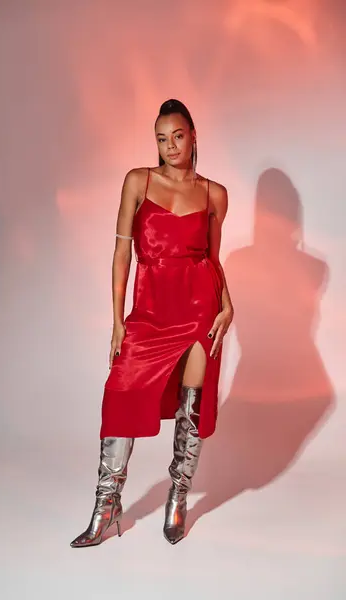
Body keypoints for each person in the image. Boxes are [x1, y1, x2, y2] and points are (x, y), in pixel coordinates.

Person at [70, 98, 234, 548]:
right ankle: (107, 504)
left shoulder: (213, 194)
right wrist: (118, 320)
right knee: (120, 391)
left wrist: (228, 304)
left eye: (178, 136)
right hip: (149, 312)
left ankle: (178, 495)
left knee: (192, 406)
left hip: (200, 308)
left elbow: (212, 260)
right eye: (162, 139)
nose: (170, 146)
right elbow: (121, 253)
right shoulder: (138, 181)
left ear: (194, 135)